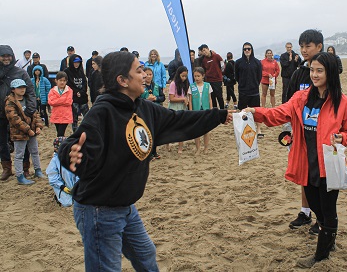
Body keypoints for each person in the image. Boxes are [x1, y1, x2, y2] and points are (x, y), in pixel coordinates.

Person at [58, 51, 231, 271]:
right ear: (122, 80)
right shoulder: (102, 112)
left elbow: (179, 120)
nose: (144, 75)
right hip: (99, 209)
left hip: (126, 205)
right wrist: (69, 153)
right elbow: (73, 142)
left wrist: (218, 115)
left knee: (146, 255)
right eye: (138, 71)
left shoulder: (143, 108)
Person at [244, 52, 347, 268]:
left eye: (319, 71)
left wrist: (343, 137)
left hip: (329, 164)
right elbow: (279, 113)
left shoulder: (343, 102)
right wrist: (255, 112)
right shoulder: (301, 97)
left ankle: (321, 254)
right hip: (307, 163)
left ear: (330, 72)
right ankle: (329, 237)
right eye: (312, 70)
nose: (313, 75)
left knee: (328, 208)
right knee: (315, 204)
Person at [286, 29, 324, 235]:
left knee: (320, 178)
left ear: (319, 46)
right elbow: (288, 104)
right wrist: (288, 131)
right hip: (300, 134)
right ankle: (305, 212)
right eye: (301, 46)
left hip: (321, 136)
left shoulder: (328, 73)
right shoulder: (299, 73)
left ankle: (321, 218)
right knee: (304, 174)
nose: (303, 49)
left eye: (308, 45)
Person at [0, 45, 36, 181]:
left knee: (23, 140)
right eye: (3, 56)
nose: (6, 58)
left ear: (13, 56)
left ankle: (25, 169)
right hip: (1, 114)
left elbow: (31, 92)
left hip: (20, 114)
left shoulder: (20, 72)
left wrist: (30, 110)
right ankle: (7, 168)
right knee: (2, 142)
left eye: (8, 55)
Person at [5, 79, 45, 185]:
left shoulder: (28, 99)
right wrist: (28, 130)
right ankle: (20, 175)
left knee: (35, 152)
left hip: (31, 131)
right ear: (13, 89)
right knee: (19, 155)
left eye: (23, 87)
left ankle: (38, 170)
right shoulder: (10, 102)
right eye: (19, 87)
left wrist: (38, 126)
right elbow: (14, 119)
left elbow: (35, 113)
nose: (22, 89)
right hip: (19, 133)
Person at [234, 42, 262, 136]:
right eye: (245, 49)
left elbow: (259, 76)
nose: (247, 50)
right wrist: (242, 84)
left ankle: (258, 129)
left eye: (248, 49)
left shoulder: (257, 62)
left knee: (256, 111)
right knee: (242, 111)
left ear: (251, 50)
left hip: (254, 91)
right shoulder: (238, 62)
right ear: (243, 50)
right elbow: (236, 76)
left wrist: (254, 84)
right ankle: (243, 128)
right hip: (243, 91)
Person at [46, 136, 79, 207]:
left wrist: (77, 185)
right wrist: (62, 187)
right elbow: (52, 178)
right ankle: (58, 196)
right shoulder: (55, 161)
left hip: (78, 186)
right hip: (63, 186)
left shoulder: (75, 157)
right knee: (67, 203)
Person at [141, 67, 165, 159]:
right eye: (147, 74)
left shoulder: (156, 86)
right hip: (145, 111)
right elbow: (137, 99)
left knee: (155, 132)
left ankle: (154, 152)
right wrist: (147, 100)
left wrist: (156, 98)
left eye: (150, 74)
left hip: (156, 111)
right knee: (147, 132)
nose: (148, 76)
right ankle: (148, 153)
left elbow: (163, 97)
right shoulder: (141, 87)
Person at [188, 67, 213, 155]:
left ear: (203, 76)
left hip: (206, 110)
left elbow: (210, 99)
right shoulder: (192, 86)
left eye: (198, 76)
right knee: (197, 131)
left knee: (206, 131)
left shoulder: (207, 85)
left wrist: (211, 110)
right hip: (196, 111)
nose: (197, 78)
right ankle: (198, 148)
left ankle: (206, 148)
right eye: (195, 76)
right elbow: (190, 100)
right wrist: (191, 111)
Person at [64, 54, 89, 133]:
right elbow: (67, 84)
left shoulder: (81, 72)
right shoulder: (67, 72)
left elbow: (85, 83)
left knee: (87, 116)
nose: (76, 64)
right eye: (75, 62)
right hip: (73, 98)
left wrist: (81, 92)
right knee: (74, 118)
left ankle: (87, 131)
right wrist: (75, 92)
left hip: (82, 98)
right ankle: (75, 132)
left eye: (78, 62)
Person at [168, 66, 190, 154]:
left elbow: (186, 96)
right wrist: (182, 99)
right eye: (182, 76)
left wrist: (186, 100)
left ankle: (180, 148)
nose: (184, 78)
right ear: (178, 75)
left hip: (182, 107)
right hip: (174, 107)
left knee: (182, 127)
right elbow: (171, 98)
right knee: (171, 127)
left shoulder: (185, 84)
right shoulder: (173, 84)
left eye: (185, 76)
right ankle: (167, 144)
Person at [198, 44, 225, 109]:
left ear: (208, 49)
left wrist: (221, 74)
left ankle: (222, 110)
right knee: (212, 97)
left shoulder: (216, 56)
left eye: (205, 50)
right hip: (209, 81)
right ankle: (215, 111)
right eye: (203, 51)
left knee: (219, 96)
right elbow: (203, 69)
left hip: (217, 80)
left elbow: (223, 65)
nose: (204, 52)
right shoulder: (204, 60)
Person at [48, 72, 73, 137]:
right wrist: (62, 99)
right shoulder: (52, 90)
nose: (62, 82)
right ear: (56, 81)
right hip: (56, 115)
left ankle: (60, 145)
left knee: (61, 133)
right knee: (59, 133)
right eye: (60, 80)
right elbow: (51, 102)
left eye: (64, 81)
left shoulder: (69, 90)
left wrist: (58, 100)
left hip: (65, 115)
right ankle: (60, 145)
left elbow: (69, 102)